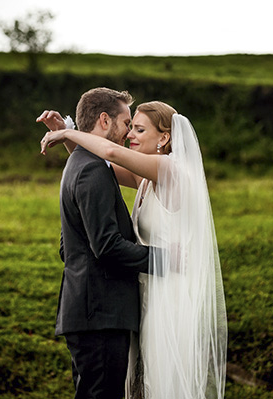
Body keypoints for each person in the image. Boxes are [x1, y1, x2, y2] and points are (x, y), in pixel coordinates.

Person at [38, 100, 227, 398]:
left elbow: (110, 152)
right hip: (144, 289)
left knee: (156, 379)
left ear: (164, 138)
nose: (130, 136)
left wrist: (70, 133)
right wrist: (69, 136)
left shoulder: (169, 169)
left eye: (139, 129)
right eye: (131, 128)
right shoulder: (145, 178)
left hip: (167, 293)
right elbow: (97, 169)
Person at [40, 87, 155, 399]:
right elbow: (106, 246)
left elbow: (69, 246)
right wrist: (163, 260)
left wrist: (68, 134)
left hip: (89, 312)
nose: (129, 131)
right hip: (100, 314)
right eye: (126, 122)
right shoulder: (92, 169)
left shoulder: (81, 163)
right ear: (105, 120)